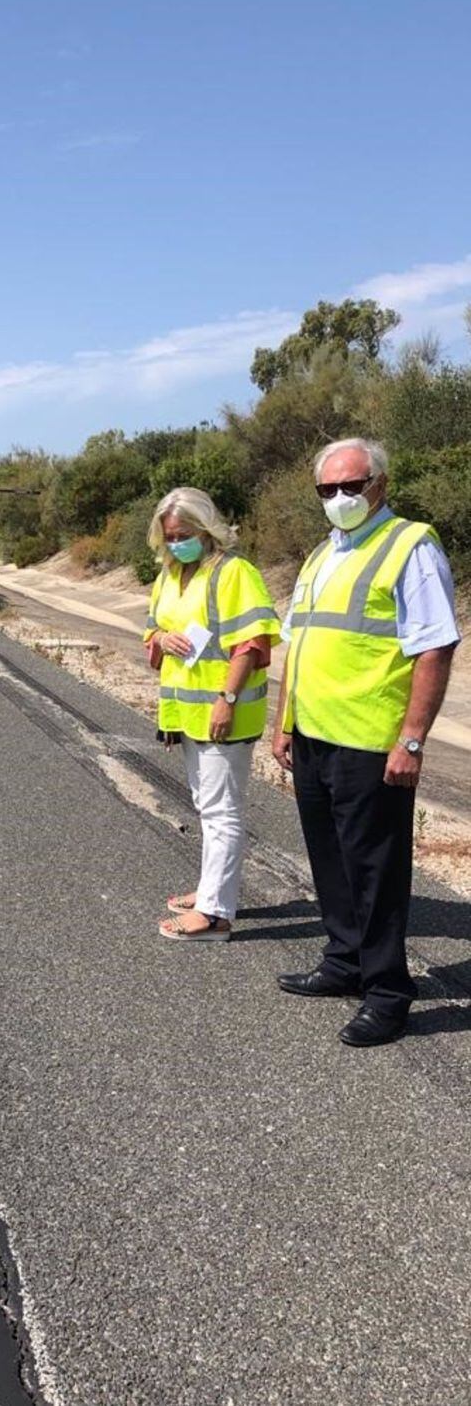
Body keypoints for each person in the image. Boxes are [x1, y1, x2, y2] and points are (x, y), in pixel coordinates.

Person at [272, 438, 460, 1045]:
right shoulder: (321, 556)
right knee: (330, 860)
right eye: (327, 490)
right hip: (314, 736)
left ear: (379, 483)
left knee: (375, 871)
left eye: (351, 486)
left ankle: (387, 992)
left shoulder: (410, 546)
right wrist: (285, 722)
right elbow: (299, 645)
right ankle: (344, 961)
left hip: (371, 742)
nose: (339, 498)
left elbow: (434, 644)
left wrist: (412, 739)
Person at [143, 487, 280, 942]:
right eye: (169, 536)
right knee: (206, 806)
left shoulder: (234, 573)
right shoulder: (170, 574)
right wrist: (162, 639)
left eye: (183, 534)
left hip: (225, 714)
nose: (176, 542)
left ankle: (215, 915)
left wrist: (228, 698)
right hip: (187, 713)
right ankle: (209, 892)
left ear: (206, 530)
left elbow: (252, 644)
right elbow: (152, 630)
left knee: (222, 811)